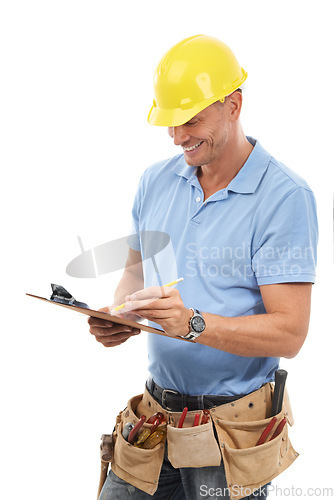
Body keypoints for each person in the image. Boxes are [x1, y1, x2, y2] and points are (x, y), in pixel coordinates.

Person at [89, 35, 318, 499]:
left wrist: (191, 324)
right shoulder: (155, 181)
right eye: (170, 123)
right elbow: (135, 272)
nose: (177, 137)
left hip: (229, 434)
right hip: (153, 422)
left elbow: (290, 334)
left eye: (190, 120)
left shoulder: (285, 198)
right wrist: (121, 315)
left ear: (234, 105)